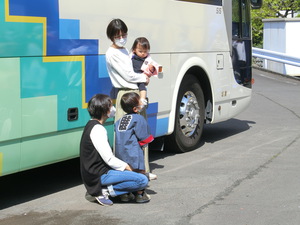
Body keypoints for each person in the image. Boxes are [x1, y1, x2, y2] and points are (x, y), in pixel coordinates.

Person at [80, 94, 150, 206]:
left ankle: (104, 189)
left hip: (93, 174)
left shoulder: (90, 124)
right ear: (104, 111)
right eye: (110, 106)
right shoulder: (98, 129)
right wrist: (130, 168)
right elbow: (109, 159)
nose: (113, 109)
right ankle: (104, 191)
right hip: (100, 175)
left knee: (135, 177)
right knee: (142, 180)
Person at [105, 18, 154, 175]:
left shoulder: (125, 50)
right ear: (111, 36)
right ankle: (127, 171)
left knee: (141, 132)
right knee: (125, 137)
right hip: (126, 95)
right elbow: (128, 75)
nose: (122, 38)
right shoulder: (111, 53)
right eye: (118, 36)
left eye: (124, 34)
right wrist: (144, 78)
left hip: (136, 93)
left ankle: (143, 170)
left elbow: (135, 71)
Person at [115, 92, 155, 177]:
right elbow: (143, 136)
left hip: (120, 151)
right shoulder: (138, 118)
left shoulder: (120, 120)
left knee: (125, 172)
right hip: (133, 151)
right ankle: (139, 189)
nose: (142, 103)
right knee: (138, 172)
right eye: (140, 102)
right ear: (135, 109)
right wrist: (147, 140)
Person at [130, 37, 161, 107]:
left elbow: (152, 70)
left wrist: (151, 68)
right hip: (133, 77)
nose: (143, 54)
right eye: (140, 51)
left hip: (141, 77)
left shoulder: (147, 60)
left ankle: (142, 100)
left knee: (142, 88)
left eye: (145, 51)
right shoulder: (131, 58)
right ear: (134, 50)